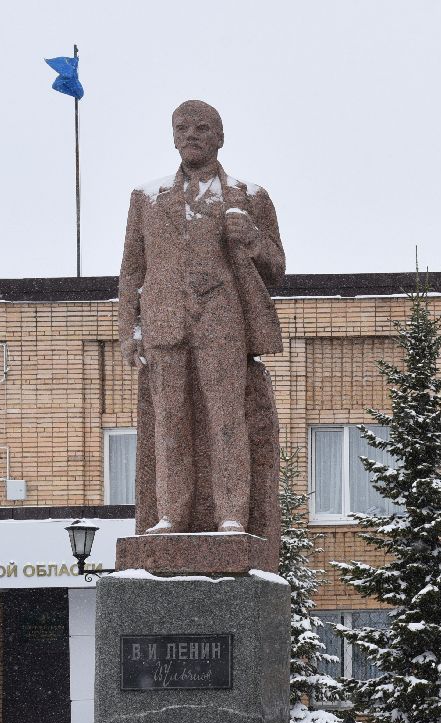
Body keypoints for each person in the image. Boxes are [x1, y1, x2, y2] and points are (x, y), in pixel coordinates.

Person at [117, 99, 285, 540]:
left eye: (202, 128)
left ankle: (233, 515)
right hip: (164, 319)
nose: (191, 135)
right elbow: (133, 269)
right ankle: (172, 514)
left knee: (227, 418)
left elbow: (277, 266)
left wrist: (250, 238)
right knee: (169, 418)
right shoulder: (147, 198)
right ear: (173, 137)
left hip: (222, 318)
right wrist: (128, 329)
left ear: (220, 137)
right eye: (182, 128)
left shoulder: (249, 197)